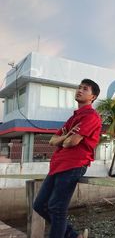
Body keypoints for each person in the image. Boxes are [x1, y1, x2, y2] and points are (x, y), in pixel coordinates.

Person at [33, 79, 101, 238]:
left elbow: (72, 142)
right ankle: (73, 236)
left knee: (56, 208)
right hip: (57, 165)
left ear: (93, 97)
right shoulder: (72, 119)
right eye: (79, 87)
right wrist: (67, 136)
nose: (79, 90)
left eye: (85, 89)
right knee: (39, 205)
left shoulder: (91, 116)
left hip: (73, 165)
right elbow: (52, 141)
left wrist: (65, 137)